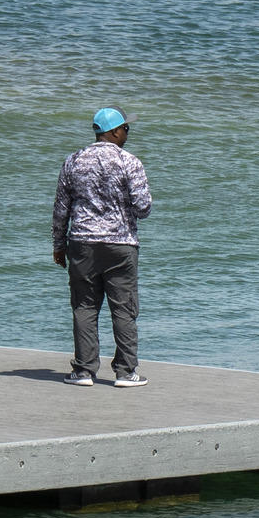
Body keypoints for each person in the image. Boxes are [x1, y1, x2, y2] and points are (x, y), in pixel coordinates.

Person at [53, 107, 153, 387]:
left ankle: (84, 371)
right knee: (124, 308)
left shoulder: (73, 161)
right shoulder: (129, 162)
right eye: (125, 129)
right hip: (121, 245)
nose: (127, 133)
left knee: (84, 306)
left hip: (82, 243)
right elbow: (143, 208)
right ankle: (125, 372)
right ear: (113, 132)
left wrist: (59, 244)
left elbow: (62, 208)